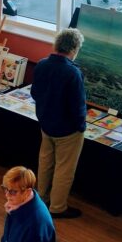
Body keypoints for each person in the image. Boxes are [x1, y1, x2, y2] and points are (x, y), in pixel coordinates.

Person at [31, 28, 87, 219]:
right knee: (64, 169)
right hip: (67, 131)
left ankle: (41, 198)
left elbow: (34, 93)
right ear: (74, 48)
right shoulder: (73, 73)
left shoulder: (41, 65)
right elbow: (78, 107)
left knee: (45, 162)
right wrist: (81, 126)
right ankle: (58, 207)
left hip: (46, 124)